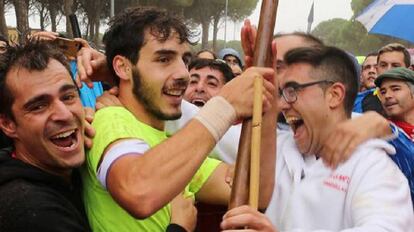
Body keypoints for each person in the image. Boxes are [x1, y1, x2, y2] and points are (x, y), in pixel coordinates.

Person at [79, 7, 277, 231]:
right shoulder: (110, 118)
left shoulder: (170, 144)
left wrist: (266, 89)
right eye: (164, 59)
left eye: (185, 59)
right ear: (123, 67)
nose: (184, 73)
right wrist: (225, 104)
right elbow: (138, 190)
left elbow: (257, 190)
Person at [224, 46, 414, 231]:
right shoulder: (275, 145)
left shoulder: (373, 166)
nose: (282, 104)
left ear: (334, 95)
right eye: (281, 93)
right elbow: (206, 128)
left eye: (292, 91)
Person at [0, 40, 90, 231]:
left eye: (68, 97)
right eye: (38, 106)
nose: (64, 114)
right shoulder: (32, 212)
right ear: (8, 124)